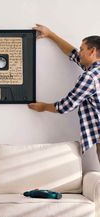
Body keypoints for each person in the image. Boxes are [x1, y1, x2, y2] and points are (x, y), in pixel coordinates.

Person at [28, 24, 100, 161]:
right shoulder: (95, 71)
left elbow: (65, 106)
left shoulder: (90, 77)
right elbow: (72, 53)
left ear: (92, 51)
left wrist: (43, 107)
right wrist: (50, 34)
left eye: (82, 49)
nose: (79, 52)